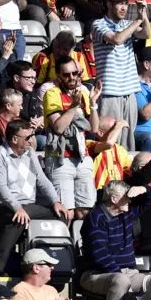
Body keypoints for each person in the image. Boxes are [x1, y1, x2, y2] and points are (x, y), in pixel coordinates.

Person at [0, 120, 68, 274]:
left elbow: (41, 179)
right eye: (27, 137)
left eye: (32, 135)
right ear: (14, 139)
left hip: (28, 206)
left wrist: (56, 201)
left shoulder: (29, 153)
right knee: (17, 219)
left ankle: (52, 265)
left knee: (60, 214)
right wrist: (18, 207)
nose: (31, 140)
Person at [80, 180, 151, 300]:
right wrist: (119, 273)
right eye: (126, 197)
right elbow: (100, 255)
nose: (130, 200)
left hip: (129, 274)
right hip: (96, 274)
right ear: (114, 199)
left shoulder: (126, 213)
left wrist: (143, 187)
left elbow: (149, 199)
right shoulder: (96, 218)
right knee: (121, 280)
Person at [44, 56, 101, 221]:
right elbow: (59, 127)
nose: (72, 78)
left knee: (86, 212)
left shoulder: (84, 92)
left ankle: (84, 246)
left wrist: (92, 103)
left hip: (82, 158)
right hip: (60, 160)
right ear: (58, 76)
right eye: (66, 74)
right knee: (66, 213)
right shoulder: (52, 94)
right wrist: (74, 106)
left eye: (75, 73)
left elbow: (94, 128)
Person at [92, 0, 150, 151]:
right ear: (109, 4)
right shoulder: (98, 24)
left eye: (126, 4)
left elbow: (146, 34)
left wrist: (143, 15)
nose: (124, 8)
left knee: (128, 139)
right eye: (120, 4)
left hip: (129, 90)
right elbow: (117, 39)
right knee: (110, 138)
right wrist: (137, 20)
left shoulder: (127, 24)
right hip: (110, 91)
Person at [10, 249, 77, 300]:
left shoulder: (51, 290)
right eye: (48, 264)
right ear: (36, 268)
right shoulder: (19, 291)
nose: (52, 267)